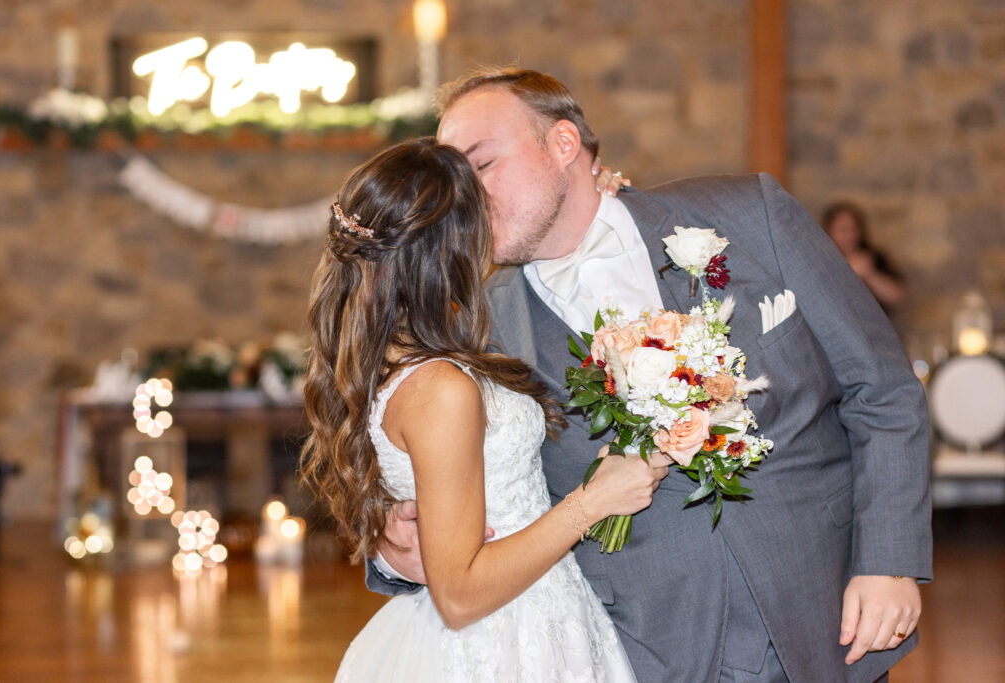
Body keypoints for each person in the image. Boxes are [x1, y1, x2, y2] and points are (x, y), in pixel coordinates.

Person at [370, 69, 933, 682]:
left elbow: (882, 390)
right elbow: (457, 486)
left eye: (481, 165)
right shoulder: (480, 326)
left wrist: (889, 561)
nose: (466, 197)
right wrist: (394, 551)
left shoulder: (750, 214)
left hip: (825, 612)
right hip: (646, 648)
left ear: (563, 145)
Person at [300, 136, 672, 681]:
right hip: (500, 640)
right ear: (448, 250)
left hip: (540, 612)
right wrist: (592, 503)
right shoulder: (441, 386)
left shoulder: (408, 356)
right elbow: (460, 595)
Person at [820, 201, 906, 313]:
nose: (849, 235)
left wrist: (869, 274)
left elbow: (898, 297)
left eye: (853, 229)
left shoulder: (873, 256)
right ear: (829, 232)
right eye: (842, 230)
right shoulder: (821, 259)